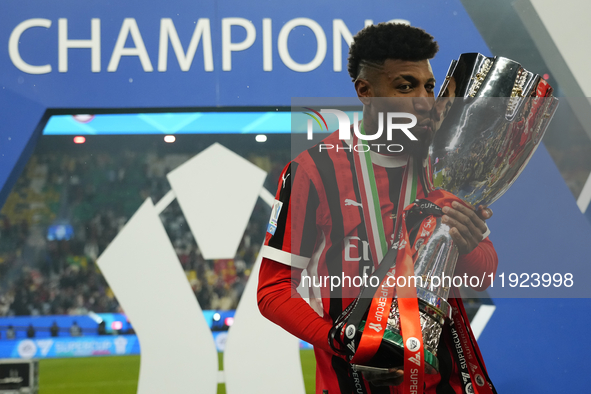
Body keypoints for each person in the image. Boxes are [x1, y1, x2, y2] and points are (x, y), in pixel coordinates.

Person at [257, 23, 497, 393]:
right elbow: (273, 290)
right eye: (405, 86)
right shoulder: (313, 170)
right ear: (365, 92)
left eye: (429, 86)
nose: (423, 99)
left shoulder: (446, 167)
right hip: (353, 382)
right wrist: (345, 343)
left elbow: (482, 275)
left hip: (441, 381)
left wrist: (467, 246)